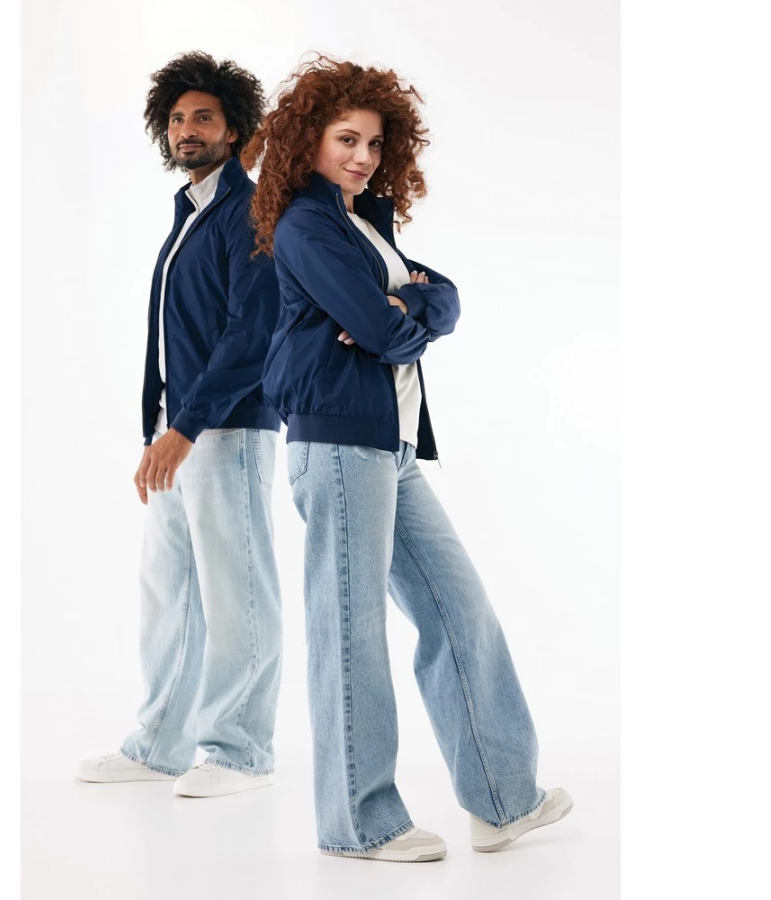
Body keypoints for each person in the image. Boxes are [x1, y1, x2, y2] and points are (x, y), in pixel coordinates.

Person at [241, 55, 572, 861]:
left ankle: (503, 799)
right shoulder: (307, 225)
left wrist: (409, 303)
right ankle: (359, 823)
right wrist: (396, 313)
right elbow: (384, 331)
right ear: (308, 142)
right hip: (337, 442)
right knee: (349, 630)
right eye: (345, 139)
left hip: (389, 444)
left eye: (375, 143)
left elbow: (441, 299)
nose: (363, 156)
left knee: (459, 608)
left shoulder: (365, 225)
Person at [76, 52, 283, 799]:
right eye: (176, 118)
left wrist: (186, 426)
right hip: (178, 428)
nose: (186, 129)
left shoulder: (249, 212)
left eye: (203, 117)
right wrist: (160, 426)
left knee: (238, 588)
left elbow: (250, 335)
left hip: (225, 428)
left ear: (235, 130)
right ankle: (161, 742)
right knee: (170, 591)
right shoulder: (190, 214)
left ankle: (241, 751)